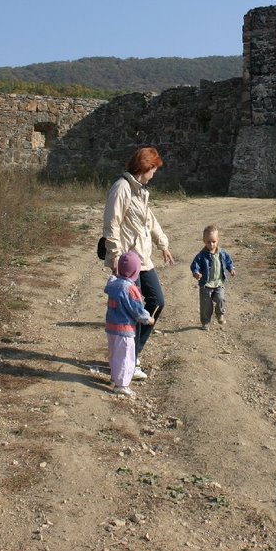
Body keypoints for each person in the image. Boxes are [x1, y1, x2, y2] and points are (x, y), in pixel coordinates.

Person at [101, 147, 175, 380]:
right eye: (154, 169)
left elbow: (149, 220)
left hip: (144, 258)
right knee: (133, 311)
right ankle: (128, 362)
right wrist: (114, 257)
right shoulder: (121, 188)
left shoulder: (141, 191)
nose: (155, 173)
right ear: (145, 168)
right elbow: (111, 224)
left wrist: (163, 243)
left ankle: (134, 354)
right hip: (128, 262)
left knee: (156, 302)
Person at [104, 252, 155, 397]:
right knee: (126, 357)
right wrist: (148, 319)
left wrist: (115, 273)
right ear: (135, 271)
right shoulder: (130, 289)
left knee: (114, 354)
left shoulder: (113, 284)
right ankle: (122, 385)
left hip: (111, 327)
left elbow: (110, 280)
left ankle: (115, 377)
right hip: (124, 329)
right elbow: (137, 310)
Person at [190, 225, 236, 329]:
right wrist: (196, 273)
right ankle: (205, 322)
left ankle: (220, 314)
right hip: (206, 285)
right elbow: (194, 266)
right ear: (204, 241)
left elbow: (229, 262)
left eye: (214, 242)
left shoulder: (222, 253)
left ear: (218, 240)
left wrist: (231, 269)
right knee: (206, 305)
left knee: (220, 299)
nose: (211, 244)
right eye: (208, 242)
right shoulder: (201, 255)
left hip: (219, 283)